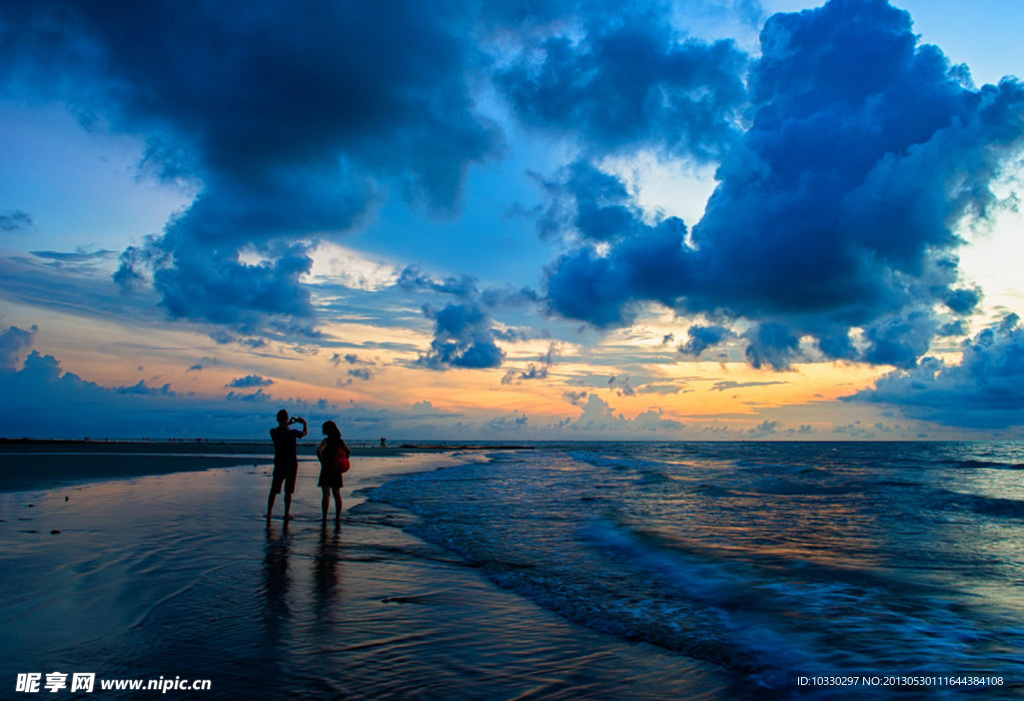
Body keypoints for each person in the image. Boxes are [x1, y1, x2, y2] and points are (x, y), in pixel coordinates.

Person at [267, 409, 306, 520]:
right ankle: (286, 513)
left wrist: (288, 423)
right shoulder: (292, 433)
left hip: (279, 463)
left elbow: (281, 428)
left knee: (274, 490)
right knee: (288, 491)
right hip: (291, 463)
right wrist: (304, 423)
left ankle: (269, 512)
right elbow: (304, 433)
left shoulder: (274, 432)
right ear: (287, 419)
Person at [317, 420, 351, 523]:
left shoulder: (326, 441)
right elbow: (348, 451)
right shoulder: (340, 441)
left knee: (326, 495)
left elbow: (319, 451)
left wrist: (322, 462)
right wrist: (344, 461)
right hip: (336, 469)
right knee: (337, 494)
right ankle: (337, 517)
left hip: (327, 468)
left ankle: (324, 517)